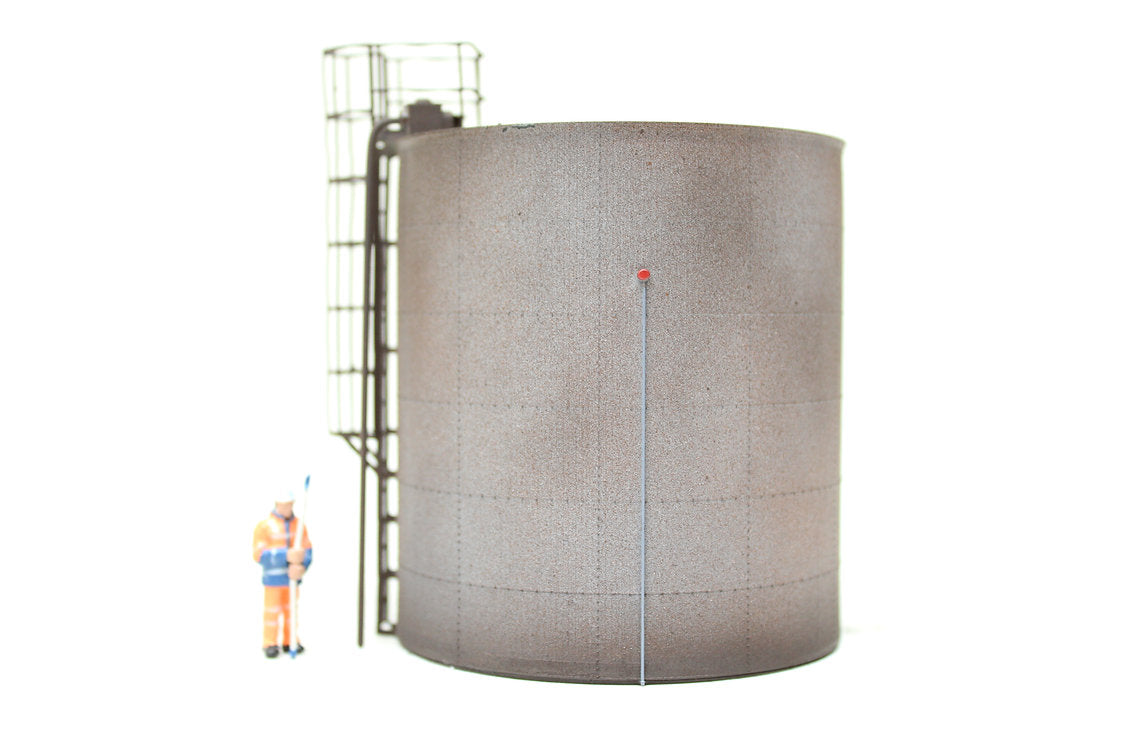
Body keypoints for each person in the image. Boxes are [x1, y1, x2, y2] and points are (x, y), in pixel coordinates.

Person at [253, 488, 313, 658]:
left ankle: (290, 640)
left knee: (291, 611)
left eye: (289, 505)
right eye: (283, 505)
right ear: (277, 504)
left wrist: (302, 566)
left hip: (291, 579)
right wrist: (285, 555)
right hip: (273, 581)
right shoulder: (265, 527)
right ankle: (270, 643)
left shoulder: (299, 526)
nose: (287, 508)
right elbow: (259, 554)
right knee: (272, 612)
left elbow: (307, 550)